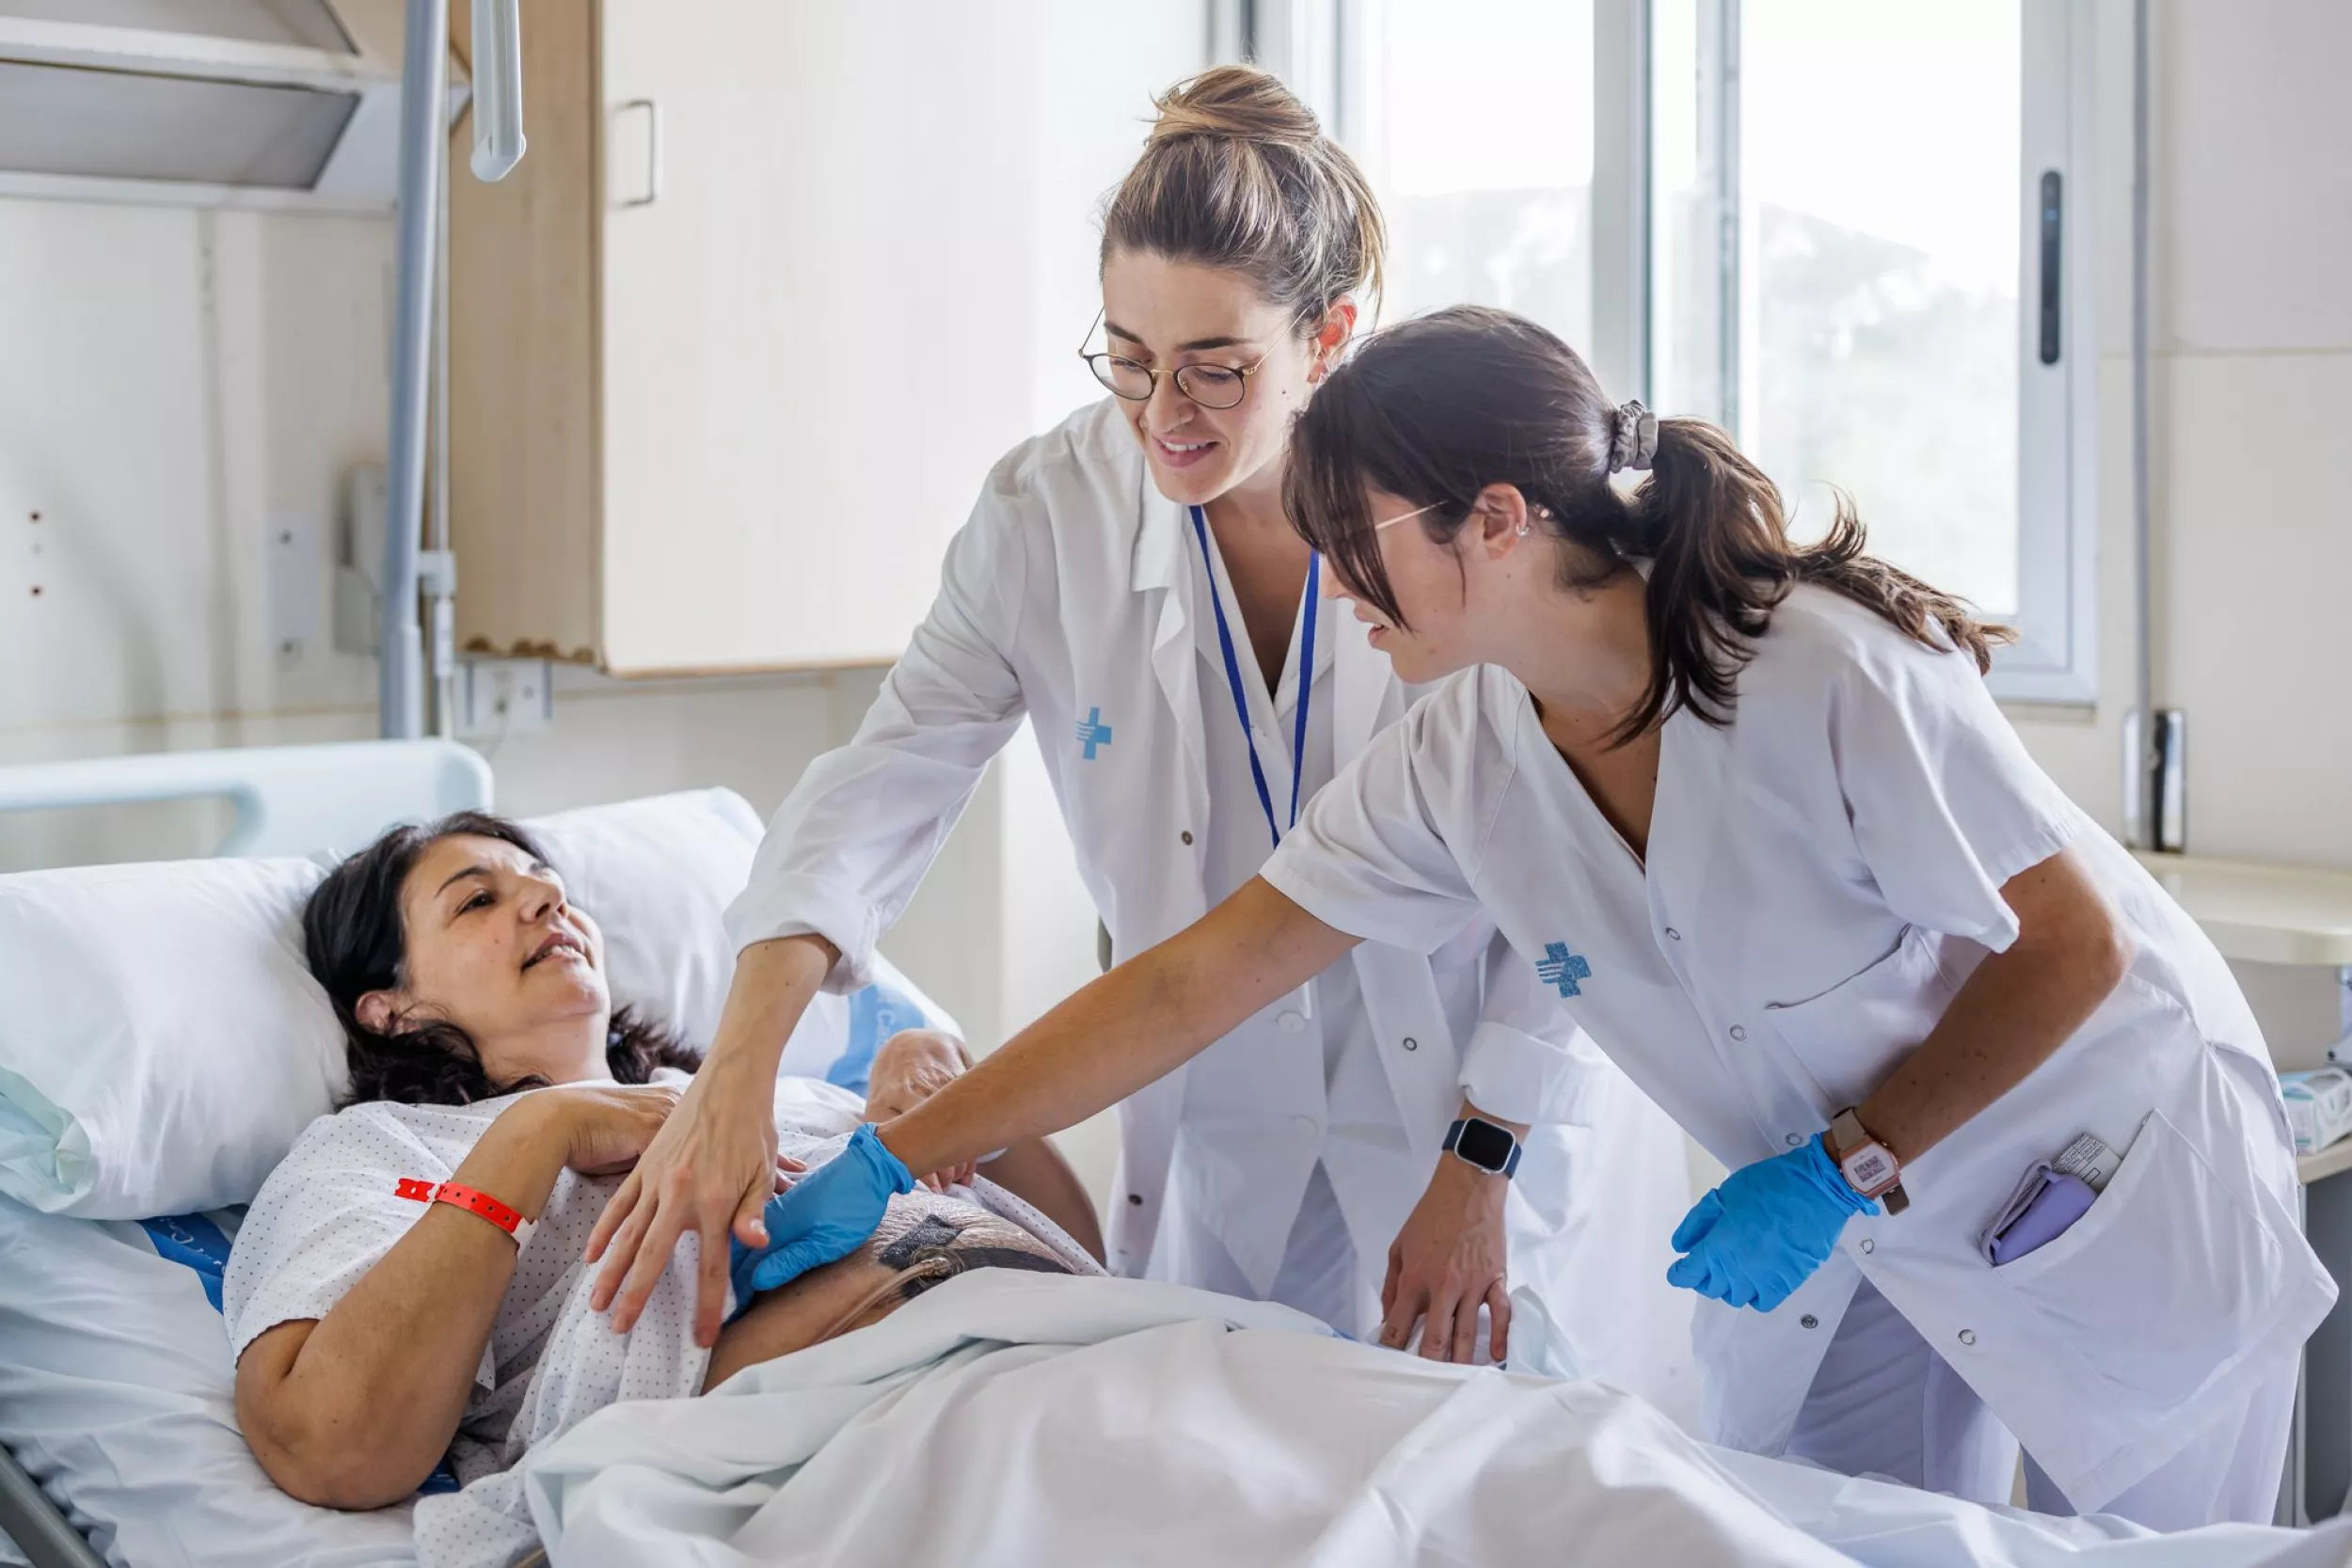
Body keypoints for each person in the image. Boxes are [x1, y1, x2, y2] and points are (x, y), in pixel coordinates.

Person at [728, 307, 2334, 1530]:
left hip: (2100, 1177)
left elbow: (2076, 948)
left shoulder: (1825, 673)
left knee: (2172, 1552)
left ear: (1495, 520)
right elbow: (1192, 981)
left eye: (1358, 544)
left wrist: (1850, 1161)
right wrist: (899, 1157)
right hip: (1857, 1241)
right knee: (1820, 1539)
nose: (1333, 583)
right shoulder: (1463, 756)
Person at [585, 69, 1692, 1389]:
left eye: (1218, 368)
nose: (1165, 414)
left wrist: (1484, 1150)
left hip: (1478, 1100)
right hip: (1227, 1115)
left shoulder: (1445, 513)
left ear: (1328, 335)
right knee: (1231, 1449)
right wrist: (740, 1066)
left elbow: (1572, 858)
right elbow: (887, 773)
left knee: (1519, 1457)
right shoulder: (1048, 513)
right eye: (1128, 358)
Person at [223, 812, 1102, 1511]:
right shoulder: (379, 1148)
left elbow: (1090, 1252)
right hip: (871, 1452)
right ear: (390, 1008)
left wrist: (959, 1100)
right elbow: (329, 1445)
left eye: (549, 885)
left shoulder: (753, 1091)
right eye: (478, 900)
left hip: (1072, 1361)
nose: (547, 900)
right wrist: (538, 1132)